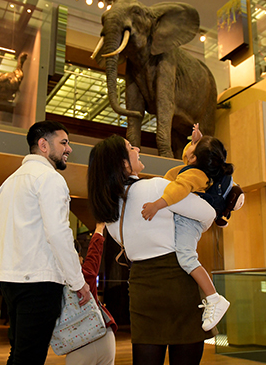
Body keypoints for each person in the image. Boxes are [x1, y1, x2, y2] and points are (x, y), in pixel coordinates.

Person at [88, 134, 216, 365]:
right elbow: (208, 214)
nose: (136, 148)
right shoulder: (158, 187)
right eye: (130, 147)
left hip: (140, 288)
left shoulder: (109, 210)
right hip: (178, 282)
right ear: (124, 163)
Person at [0, 120, 90, 365]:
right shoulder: (49, 178)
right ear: (43, 145)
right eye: (64, 142)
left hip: (10, 280)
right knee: (30, 358)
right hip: (38, 282)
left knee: (19, 354)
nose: (69, 149)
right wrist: (79, 282)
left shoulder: (9, 182)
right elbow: (58, 233)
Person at [141, 124, 244, 331]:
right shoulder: (203, 168)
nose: (189, 147)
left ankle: (214, 298)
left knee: (187, 258)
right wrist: (198, 139)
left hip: (190, 220)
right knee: (183, 255)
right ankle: (213, 297)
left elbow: (177, 190)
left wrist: (157, 205)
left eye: (193, 147)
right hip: (191, 217)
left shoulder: (194, 175)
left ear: (194, 159)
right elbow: (198, 156)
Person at [66, 223, 118, 365]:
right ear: (79, 258)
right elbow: (95, 252)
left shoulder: (55, 284)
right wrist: (99, 228)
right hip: (103, 335)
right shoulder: (85, 274)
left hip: (77, 345)